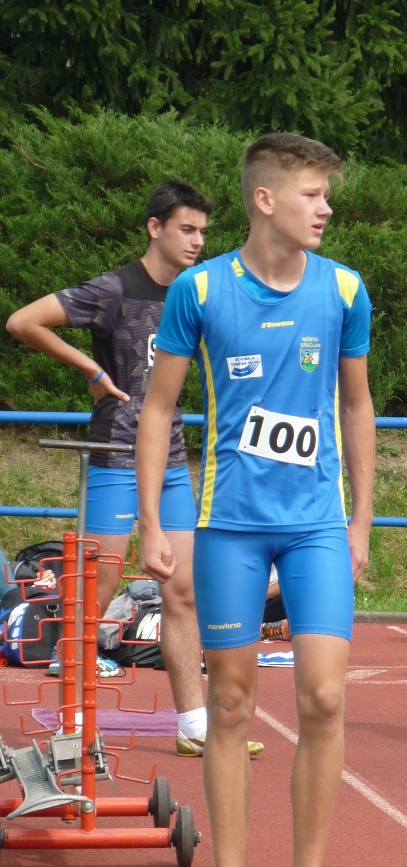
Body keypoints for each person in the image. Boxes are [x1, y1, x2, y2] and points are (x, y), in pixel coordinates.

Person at [136, 132, 375, 867]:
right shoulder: (200, 291)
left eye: (327, 195)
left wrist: (361, 519)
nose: (327, 208)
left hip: (314, 525)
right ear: (266, 200)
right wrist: (148, 519)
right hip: (229, 524)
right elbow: (160, 408)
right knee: (231, 705)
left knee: (325, 698)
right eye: (313, 194)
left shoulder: (344, 289)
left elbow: (356, 407)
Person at [3, 182, 261, 755]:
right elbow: (23, 321)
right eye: (185, 229)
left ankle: (194, 724)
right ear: (155, 227)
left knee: (185, 591)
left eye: (202, 232)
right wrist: (92, 371)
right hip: (115, 456)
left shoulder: (197, 293)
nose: (197, 241)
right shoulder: (114, 290)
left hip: (170, 461)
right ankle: (73, 725)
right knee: (97, 590)